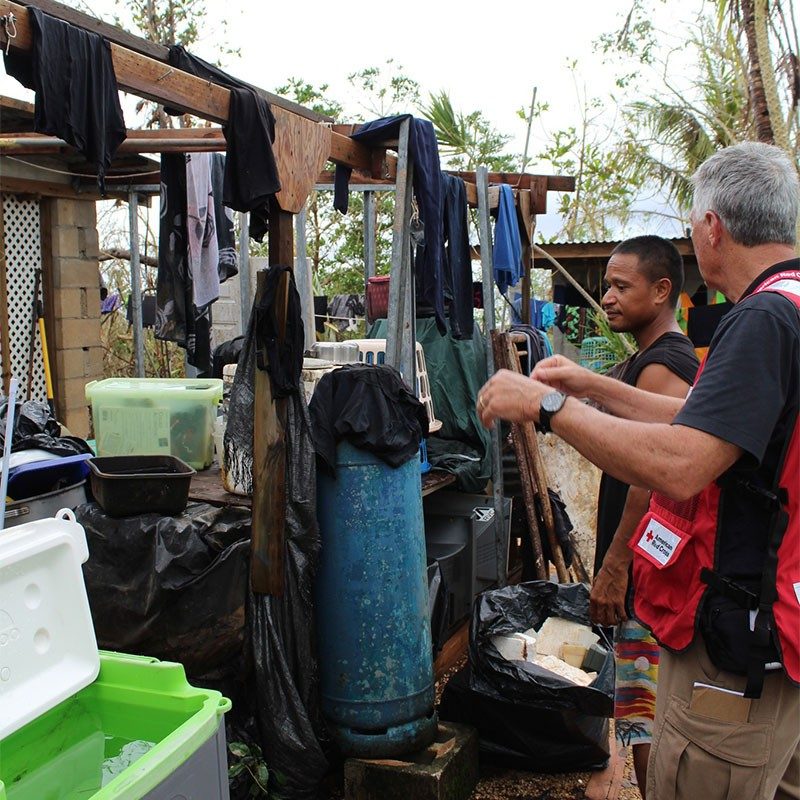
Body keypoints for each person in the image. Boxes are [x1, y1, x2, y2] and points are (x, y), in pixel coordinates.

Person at [476, 141, 799, 800]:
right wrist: (591, 385)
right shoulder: (789, 303)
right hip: (779, 625)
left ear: (713, 227)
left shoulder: (762, 318)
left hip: (735, 640)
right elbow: (699, 420)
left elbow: (680, 463)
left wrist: (547, 404)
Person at [589, 236, 699, 798]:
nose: (607, 296)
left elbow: (647, 476)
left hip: (645, 567)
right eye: (607, 284)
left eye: (620, 286)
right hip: (642, 563)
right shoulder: (645, 359)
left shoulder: (666, 366)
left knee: (644, 699)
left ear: (662, 292)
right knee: (635, 701)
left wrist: (614, 564)